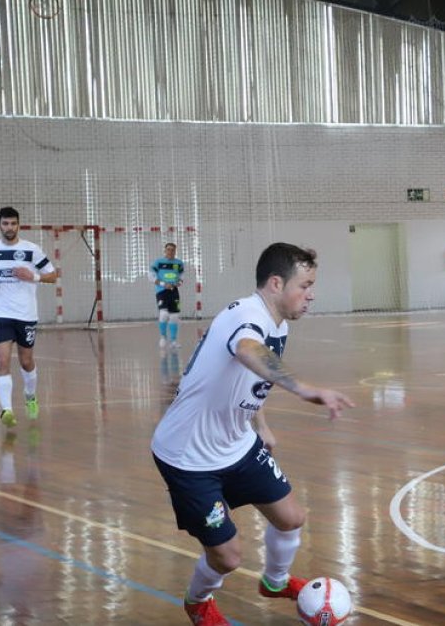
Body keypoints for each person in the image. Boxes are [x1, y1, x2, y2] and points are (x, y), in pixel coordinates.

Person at [151, 243, 355, 626]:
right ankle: (198, 602)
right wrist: (305, 389)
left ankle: (274, 583)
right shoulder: (245, 315)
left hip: (237, 444)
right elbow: (247, 350)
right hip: (188, 456)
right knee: (228, 557)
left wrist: (261, 426)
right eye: (305, 285)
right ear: (277, 283)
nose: (311, 294)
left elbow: (251, 375)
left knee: (291, 518)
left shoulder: (278, 324)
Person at [0, 207, 59, 429]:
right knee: (2, 360)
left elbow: (53, 276)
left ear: (18, 225)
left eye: (13, 223)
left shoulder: (31, 250)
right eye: (5, 223)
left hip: (26, 314)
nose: (9, 227)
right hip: (0, 314)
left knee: (26, 361)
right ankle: (6, 410)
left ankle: (30, 396)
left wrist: (33, 276)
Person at [151, 242, 185, 348]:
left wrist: (179, 283)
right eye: (168, 249)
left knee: (174, 316)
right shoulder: (158, 262)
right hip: (161, 291)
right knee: (164, 314)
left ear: (175, 251)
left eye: (172, 250)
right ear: (165, 251)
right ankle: (163, 337)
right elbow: (151, 276)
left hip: (174, 292)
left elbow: (181, 276)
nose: (170, 251)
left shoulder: (179, 263)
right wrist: (163, 284)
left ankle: (173, 341)